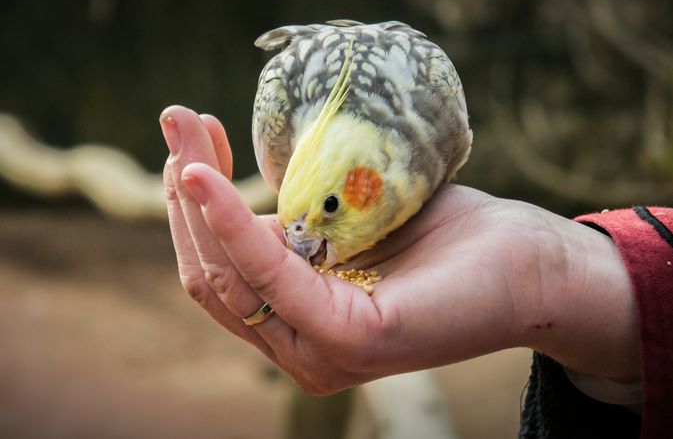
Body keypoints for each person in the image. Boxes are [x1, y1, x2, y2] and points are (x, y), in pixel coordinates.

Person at [159, 105, 672, 438]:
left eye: (335, 205)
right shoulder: (287, 119)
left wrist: (548, 267)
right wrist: (552, 272)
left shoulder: (438, 112)